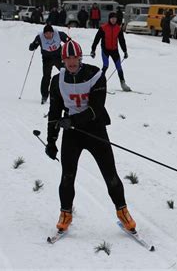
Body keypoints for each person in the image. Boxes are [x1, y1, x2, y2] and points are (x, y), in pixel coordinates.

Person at [44, 39, 137, 233]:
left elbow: (96, 108)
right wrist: (51, 141)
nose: (71, 62)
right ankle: (65, 213)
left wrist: (73, 121)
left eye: (75, 58)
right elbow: (54, 113)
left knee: (110, 175)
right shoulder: (57, 81)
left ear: (80, 57)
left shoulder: (95, 75)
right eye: (67, 58)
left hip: (95, 130)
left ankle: (123, 212)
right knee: (67, 176)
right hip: (72, 134)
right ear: (63, 60)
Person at [29, 24, 70, 104]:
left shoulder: (59, 34)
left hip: (58, 57)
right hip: (46, 58)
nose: (48, 35)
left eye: (49, 33)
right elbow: (33, 45)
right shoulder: (39, 37)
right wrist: (32, 46)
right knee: (46, 76)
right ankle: (44, 95)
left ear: (52, 33)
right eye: (46, 34)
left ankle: (68, 93)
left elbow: (69, 41)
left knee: (65, 73)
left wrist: (70, 47)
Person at [91, 12, 131, 91]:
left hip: (114, 50)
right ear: (109, 19)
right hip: (105, 50)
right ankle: (99, 83)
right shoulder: (103, 28)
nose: (113, 20)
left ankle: (123, 83)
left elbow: (122, 41)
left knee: (119, 66)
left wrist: (125, 51)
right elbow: (96, 39)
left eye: (115, 19)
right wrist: (93, 50)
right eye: (112, 18)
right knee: (105, 66)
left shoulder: (118, 29)